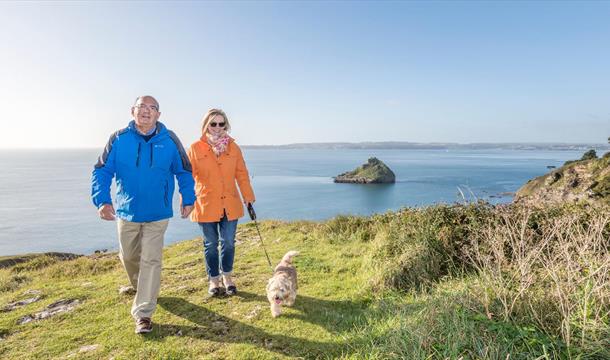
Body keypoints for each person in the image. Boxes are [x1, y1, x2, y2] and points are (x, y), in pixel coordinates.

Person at [91, 95, 195, 334]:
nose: (146, 111)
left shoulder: (169, 139)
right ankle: (142, 288)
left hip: (157, 213)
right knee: (128, 256)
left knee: (151, 259)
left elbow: (184, 171)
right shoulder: (118, 139)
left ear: (159, 114)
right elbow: (102, 171)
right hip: (127, 211)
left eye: (152, 108)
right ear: (132, 111)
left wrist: (188, 198)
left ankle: (144, 313)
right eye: (141, 107)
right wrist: (102, 201)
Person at [187, 108, 255, 297]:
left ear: (226, 125)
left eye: (221, 123)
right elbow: (188, 177)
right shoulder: (195, 148)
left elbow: (241, 174)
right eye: (213, 123)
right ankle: (213, 280)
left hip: (229, 203)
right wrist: (187, 200)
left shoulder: (234, 148)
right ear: (206, 125)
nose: (217, 127)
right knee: (210, 243)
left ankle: (228, 278)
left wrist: (248, 196)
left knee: (228, 242)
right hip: (206, 203)